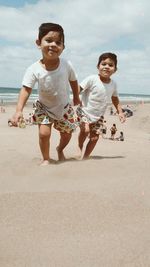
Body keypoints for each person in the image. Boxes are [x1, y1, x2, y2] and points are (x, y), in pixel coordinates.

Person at [11, 22, 81, 165]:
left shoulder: (67, 65)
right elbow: (26, 89)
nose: (53, 45)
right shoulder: (34, 68)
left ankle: (60, 149)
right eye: (48, 40)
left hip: (64, 107)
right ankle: (46, 158)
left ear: (63, 47)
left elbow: (73, 81)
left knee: (67, 135)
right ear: (38, 43)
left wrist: (76, 97)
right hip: (44, 108)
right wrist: (19, 110)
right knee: (44, 134)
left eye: (58, 42)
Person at [77, 52, 125, 159]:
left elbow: (115, 98)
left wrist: (120, 112)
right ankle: (79, 147)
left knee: (94, 138)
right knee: (85, 131)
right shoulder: (92, 79)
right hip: (84, 111)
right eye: (104, 64)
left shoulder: (113, 84)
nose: (107, 67)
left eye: (111, 65)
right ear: (98, 66)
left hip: (98, 116)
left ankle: (85, 157)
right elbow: (78, 89)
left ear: (115, 70)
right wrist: (75, 98)